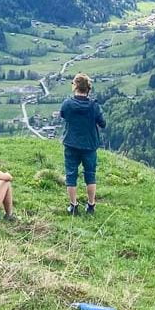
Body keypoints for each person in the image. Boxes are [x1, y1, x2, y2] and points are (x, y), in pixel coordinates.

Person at [60, 73, 106, 216]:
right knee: (90, 175)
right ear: (88, 88)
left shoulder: (67, 104)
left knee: (71, 175)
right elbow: (102, 124)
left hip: (71, 144)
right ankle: (91, 205)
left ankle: (73, 206)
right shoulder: (94, 106)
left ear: (75, 86)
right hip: (89, 145)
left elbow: (63, 115)